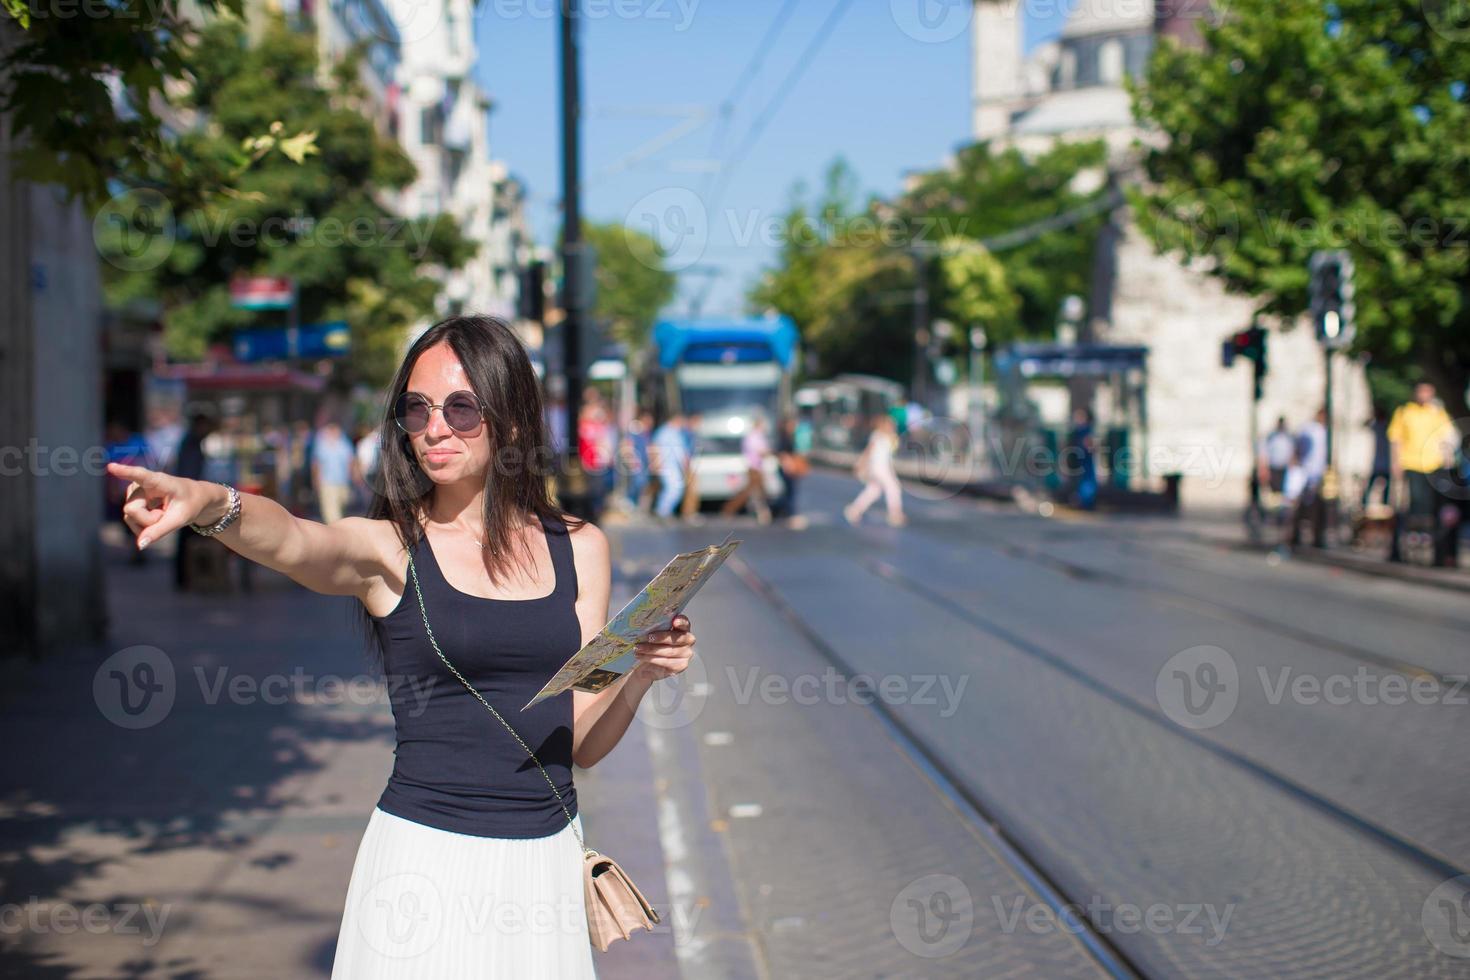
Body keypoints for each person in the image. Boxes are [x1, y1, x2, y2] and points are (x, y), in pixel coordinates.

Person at [107, 315, 697, 978]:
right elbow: (301, 541)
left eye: (461, 408)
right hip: (424, 869)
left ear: (511, 418)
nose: (434, 427)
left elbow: (580, 739)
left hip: (545, 865)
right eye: (416, 409)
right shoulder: (389, 547)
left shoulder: (582, 549)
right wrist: (213, 503)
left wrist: (640, 675)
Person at [1388, 382, 1459, 566]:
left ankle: (1429, 540)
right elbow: (1396, 439)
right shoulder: (1405, 412)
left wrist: (1447, 462)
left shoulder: (1437, 413)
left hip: (1433, 465)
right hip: (1411, 463)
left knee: (1432, 506)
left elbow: (1446, 438)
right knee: (1414, 503)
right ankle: (1413, 536)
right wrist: (1395, 463)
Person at [844, 414, 906, 527]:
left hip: (882, 467)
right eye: (890, 424)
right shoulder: (878, 435)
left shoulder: (888, 436)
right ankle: (895, 514)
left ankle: (854, 510)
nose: (892, 426)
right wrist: (861, 463)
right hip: (878, 467)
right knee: (893, 488)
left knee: (873, 491)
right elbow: (868, 450)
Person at [720, 413, 773, 524]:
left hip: (758, 467)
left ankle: (762, 513)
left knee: (759, 492)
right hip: (754, 468)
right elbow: (759, 451)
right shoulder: (753, 436)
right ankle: (729, 509)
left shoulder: (758, 436)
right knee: (751, 492)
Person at [311, 419, 359, 525]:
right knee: (331, 512)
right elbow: (316, 464)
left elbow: (351, 461)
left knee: (342, 507)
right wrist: (316, 480)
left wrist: (354, 476)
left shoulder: (344, 444)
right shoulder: (322, 445)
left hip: (343, 482)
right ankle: (335, 533)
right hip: (327, 483)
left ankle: (339, 529)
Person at [772, 413, 811, 529]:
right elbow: (782, 453)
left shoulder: (790, 436)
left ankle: (780, 512)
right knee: (790, 492)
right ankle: (788, 514)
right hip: (787, 468)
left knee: (789, 492)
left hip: (788, 468)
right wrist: (788, 465)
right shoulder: (784, 437)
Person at [651, 413, 690, 519]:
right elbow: (655, 448)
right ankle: (662, 511)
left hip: (675, 466)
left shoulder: (677, 433)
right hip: (666, 465)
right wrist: (657, 463)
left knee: (676, 489)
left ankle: (665, 511)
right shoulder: (663, 432)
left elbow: (680, 451)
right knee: (672, 489)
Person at [622, 409, 655, 512]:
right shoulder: (635, 431)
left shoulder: (647, 433)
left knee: (642, 484)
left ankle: (634, 504)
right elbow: (628, 445)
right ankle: (629, 502)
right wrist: (631, 459)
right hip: (637, 463)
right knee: (637, 483)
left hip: (644, 464)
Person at [1361, 408, 1393, 509]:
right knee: (1374, 485)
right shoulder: (1380, 426)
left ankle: (1382, 505)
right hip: (1380, 462)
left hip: (1384, 463)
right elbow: (1365, 424)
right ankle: (1367, 504)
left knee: (1383, 487)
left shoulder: (1385, 426)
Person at [1262, 416, 1295, 494]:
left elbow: (1292, 450)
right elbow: (1265, 452)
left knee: (1284, 488)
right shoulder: (1271, 437)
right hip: (1274, 466)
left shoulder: (1289, 436)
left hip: (1284, 466)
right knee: (1274, 488)